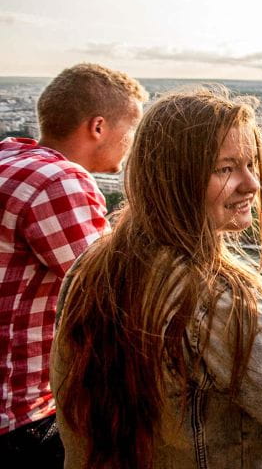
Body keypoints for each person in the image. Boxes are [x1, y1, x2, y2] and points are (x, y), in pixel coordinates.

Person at [52, 87, 262, 469]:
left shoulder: (92, 267)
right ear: (176, 179)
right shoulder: (220, 303)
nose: (252, 184)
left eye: (250, 165)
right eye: (225, 168)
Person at [0, 63, 147, 466]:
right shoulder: (58, 180)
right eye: (130, 131)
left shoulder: (9, 159)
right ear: (98, 126)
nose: (131, 143)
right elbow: (119, 290)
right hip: (19, 417)